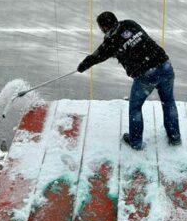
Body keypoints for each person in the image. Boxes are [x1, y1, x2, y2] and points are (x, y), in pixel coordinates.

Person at [77, 11, 181, 150]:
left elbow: (97, 56)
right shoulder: (129, 24)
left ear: (105, 28)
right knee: (168, 103)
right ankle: (175, 138)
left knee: (135, 108)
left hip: (146, 76)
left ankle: (136, 142)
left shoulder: (111, 43)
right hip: (164, 65)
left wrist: (83, 66)